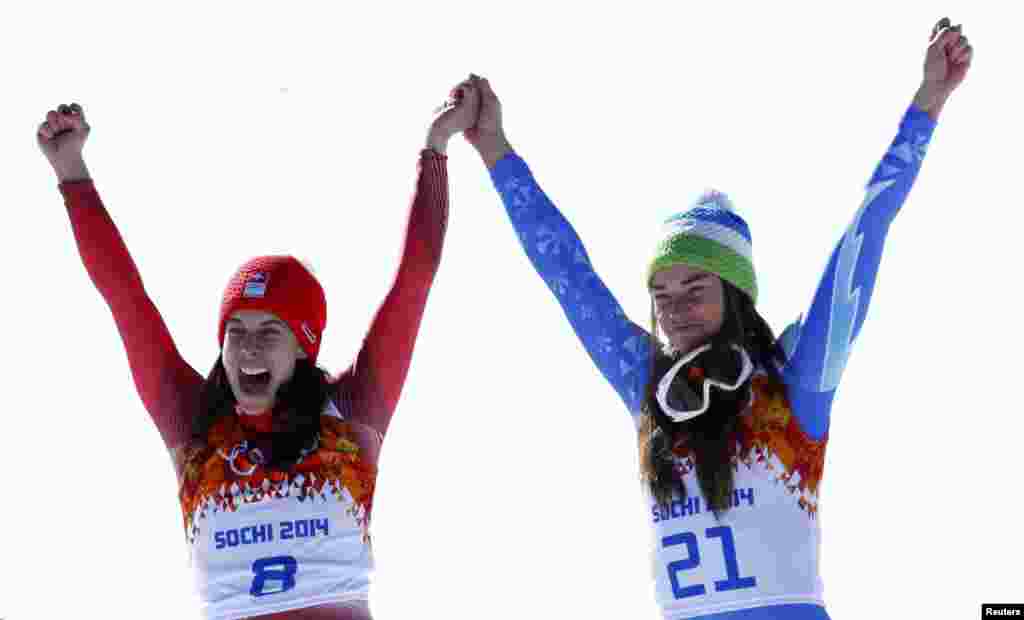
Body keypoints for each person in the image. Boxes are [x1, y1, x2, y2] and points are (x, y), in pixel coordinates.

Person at [462, 18, 971, 620]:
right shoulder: (646, 386)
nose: (673, 307)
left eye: (695, 286)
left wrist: (929, 102)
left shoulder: (794, 381)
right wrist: (494, 149)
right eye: (660, 292)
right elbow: (570, 277)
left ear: (735, 294)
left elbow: (863, 234)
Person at [37, 76, 481, 620]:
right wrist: (70, 173)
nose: (247, 348)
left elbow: (414, 280)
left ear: (303, 347)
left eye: (270, 332)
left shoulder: (350, 415)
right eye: (236, 331)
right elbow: (127, 302)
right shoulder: (193, 421)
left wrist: (435, 148)